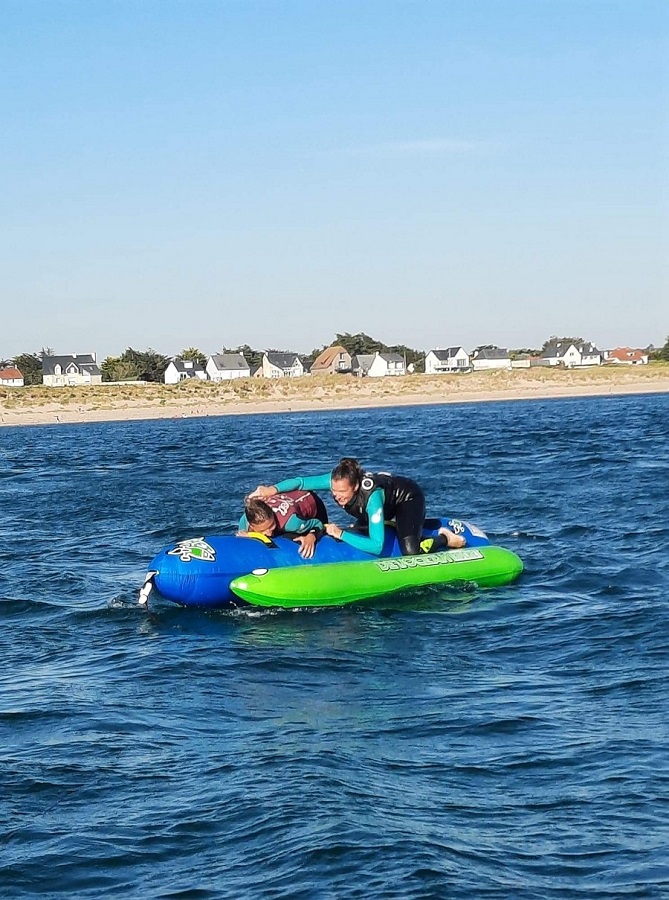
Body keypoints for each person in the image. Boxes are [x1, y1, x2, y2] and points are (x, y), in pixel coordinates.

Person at [249, 457, 465, 557]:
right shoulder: (336, 480)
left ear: (356, 486)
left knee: (411, 551)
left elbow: (377, 546)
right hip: (380, 511)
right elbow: (301, 482)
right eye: (334, 492)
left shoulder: (372, 498)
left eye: (343, 493)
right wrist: (271, 490)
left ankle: (445, 537)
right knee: (358, 532)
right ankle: (405, 526)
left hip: (406, 499)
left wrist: (340, 533)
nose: (337, 497)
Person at [237, 489, 328, 559]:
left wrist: (311, 536)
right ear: (252, 525)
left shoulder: (292, 523)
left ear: (272, 515)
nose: (269, 533)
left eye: (272, 525)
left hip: (311, 501)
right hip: (289, 498)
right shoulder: (244, 523)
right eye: (263, 531)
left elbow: (318, 523)